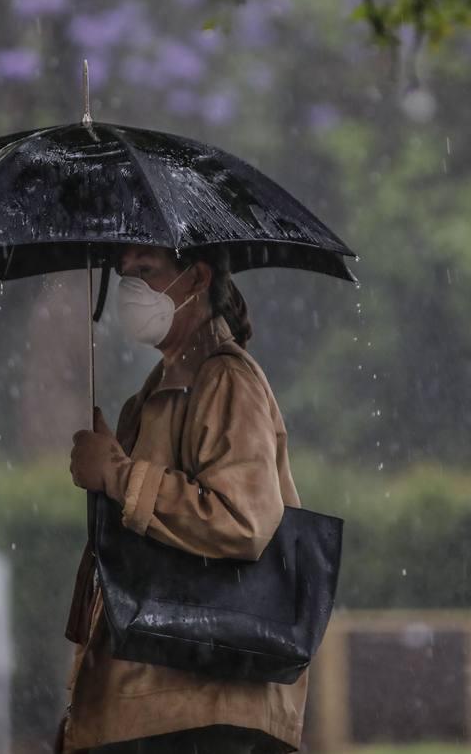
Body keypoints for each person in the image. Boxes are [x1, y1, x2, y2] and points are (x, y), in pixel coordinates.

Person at [60, 243, 306, 753]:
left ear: (196, 278)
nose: (131, 288)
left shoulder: (225, 378)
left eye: (146, 271)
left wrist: (117, 475)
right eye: (124, 273)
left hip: (202, 714)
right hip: (156, 708)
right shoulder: (156, 393)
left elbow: (242, 519)